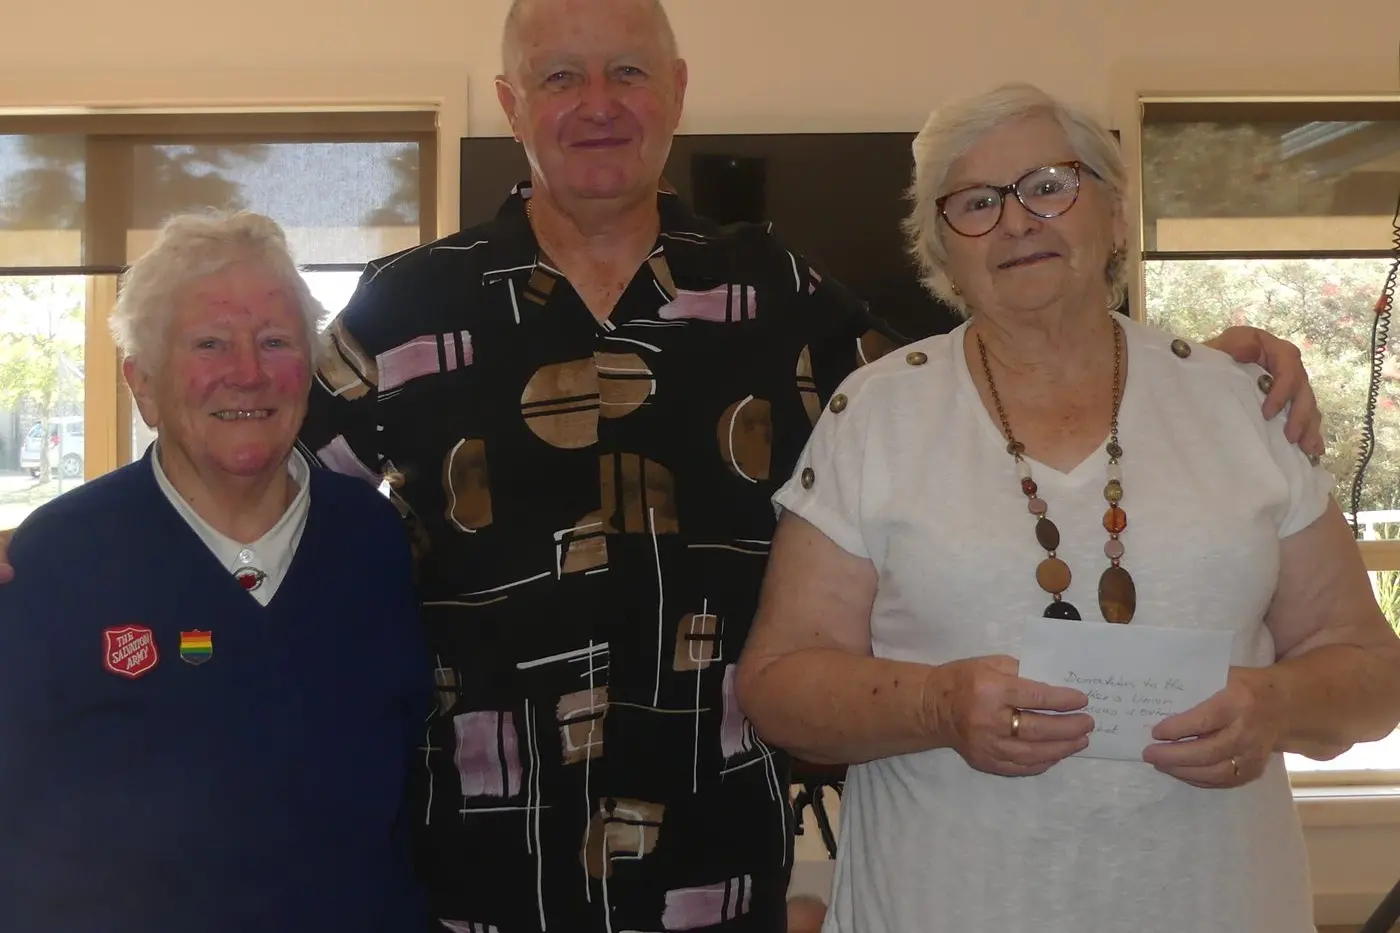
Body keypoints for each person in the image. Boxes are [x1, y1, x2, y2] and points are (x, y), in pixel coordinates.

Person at [0, 3, 1327, 930]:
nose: (595, 105)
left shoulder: (786, 300)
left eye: (627, 72)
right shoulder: (404, 312)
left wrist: (1209, 365)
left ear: (678, 93)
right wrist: (48, 552)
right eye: (560, 77)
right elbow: (244, 474)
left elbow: (1001, 371)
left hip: (721, 865)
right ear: (513, 104)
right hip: (473, 873)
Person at [733, 82, 1400, 933]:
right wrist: (934, 705)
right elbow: (780, 685)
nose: (1017, 221)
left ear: (1116, 214)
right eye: (976, 202)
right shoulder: (873, 418)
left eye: (1050, 184)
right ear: (942, 249)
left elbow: (1373, 675)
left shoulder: (1241, 405)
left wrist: (1274, 703)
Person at [0, 211, 432, 933]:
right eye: (209, 343)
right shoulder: (55, 561)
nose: (248, 372)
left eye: (274, 341)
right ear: (143, 383)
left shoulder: (376, 540)